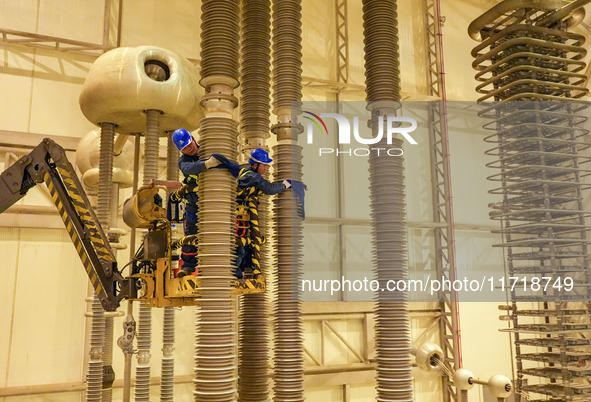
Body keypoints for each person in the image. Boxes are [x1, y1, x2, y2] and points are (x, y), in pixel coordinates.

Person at [170, 128, 221, 277]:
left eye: (189, 143)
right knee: (191, 236)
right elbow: (189, 168)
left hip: (214, 204)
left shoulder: (207, 150)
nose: (189, 148)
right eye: (185, 148)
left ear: (193, 138)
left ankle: (217, 265)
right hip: (194, 206)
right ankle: (188, 266)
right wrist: (207, 164)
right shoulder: (184, 161)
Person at [233, 148, 291, 278]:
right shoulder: (252, 177)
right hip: (240, 215)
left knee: (245, 242)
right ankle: (233, 270)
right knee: (240, 242)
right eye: (264, 165)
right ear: (255, 165)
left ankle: (239, 269)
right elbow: (269, 188)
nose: (265, 168)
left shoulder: (246, 174)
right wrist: (284, 185)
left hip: (243, 214)